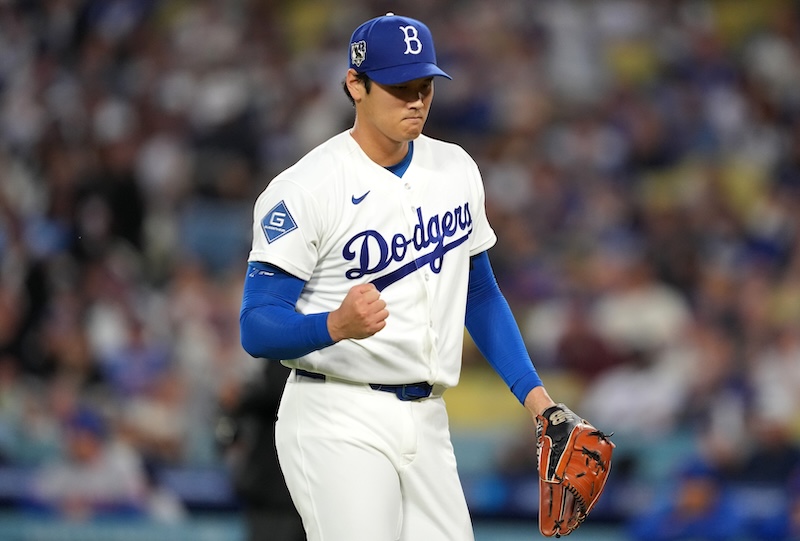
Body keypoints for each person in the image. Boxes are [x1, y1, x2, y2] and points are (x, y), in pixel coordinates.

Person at [239, 13, 560, 540]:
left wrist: (536, 398)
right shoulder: (305, 188)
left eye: (424, 86)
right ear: (355, 85)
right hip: (337, 412)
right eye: (398, 87)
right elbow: (256, 324)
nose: (415, 100)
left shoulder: (455, 168)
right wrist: (334, 324)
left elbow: (478, 293)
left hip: (428, 417)